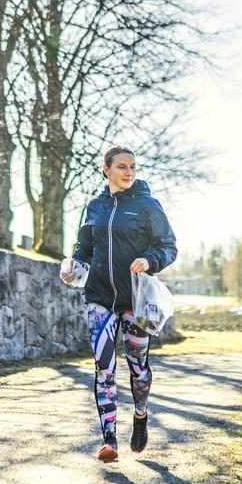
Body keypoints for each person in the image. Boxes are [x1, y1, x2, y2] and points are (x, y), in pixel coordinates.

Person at [61, 146, 177, 463]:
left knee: (138, 368)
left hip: (135, 301)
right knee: (104, 368)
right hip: (99, 298)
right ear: (106, 169)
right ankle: (109, 439)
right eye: (122, 166)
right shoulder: (95, 207)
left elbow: (169, 247)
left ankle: (140, 415)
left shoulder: (147, 205)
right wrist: (74, 267)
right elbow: (83, 249)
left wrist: (148, 260)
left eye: (132, 167)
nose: (128, 172)